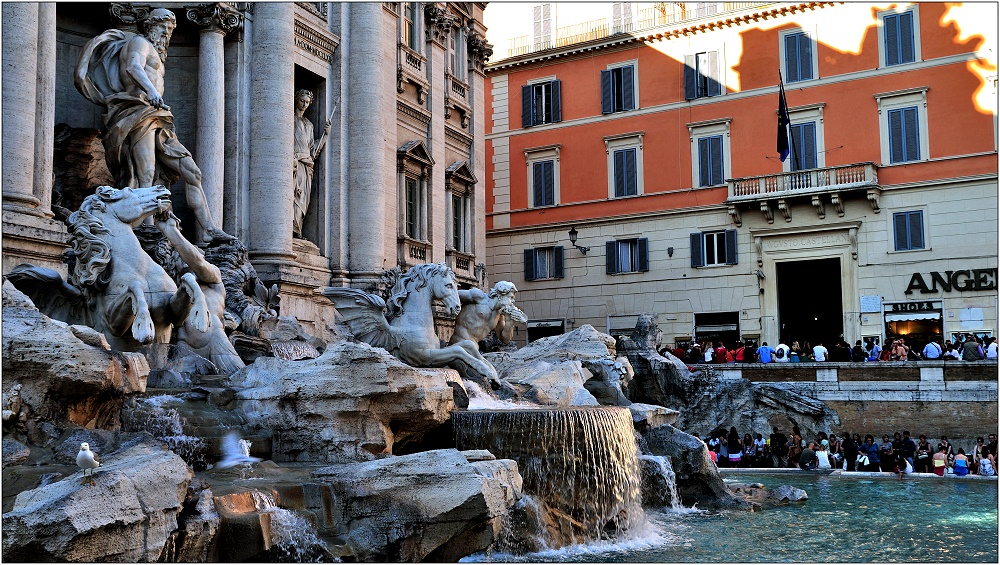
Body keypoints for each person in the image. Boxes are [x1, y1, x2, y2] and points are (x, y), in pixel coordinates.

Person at [74, 8, 233, 244]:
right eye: (164, 28)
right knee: (145, 173)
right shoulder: (139, 43)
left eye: (170, 30)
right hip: (138, 112)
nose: (167, 34)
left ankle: (208, 228)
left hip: (158, 115)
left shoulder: (158, 53)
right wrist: (150, 91)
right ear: (151, 26)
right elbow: (133, 67)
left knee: (193, 172)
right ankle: (145, 232)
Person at [146, 210, 245, 374]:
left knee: (237, 381)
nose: (183, 258)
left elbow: (197, 263)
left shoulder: (214, 282)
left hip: (217, 343)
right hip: (185, 350)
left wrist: (172, 232)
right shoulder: (173, 291)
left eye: (187, 254)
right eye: (177, 257)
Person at [292, 89, 332, 238]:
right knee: (294, 195)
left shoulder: (309, 125)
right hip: (294, 163)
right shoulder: (290, 119)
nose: (304, 104)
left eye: (307, 102)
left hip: (306, 165)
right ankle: (291, 230)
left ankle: (297, 230)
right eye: (302, 100)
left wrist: (325, 135)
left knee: (302, 200)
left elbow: (312, 150)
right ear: (296, 99)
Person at [449, 281, 527, 347]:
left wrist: (510, 322)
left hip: (474, 346)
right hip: (458, 341)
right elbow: (452, 294)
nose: (513, 301)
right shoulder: (479, 297)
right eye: (511, 297)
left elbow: (505, 340)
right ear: (501, 293)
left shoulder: (499, 315)